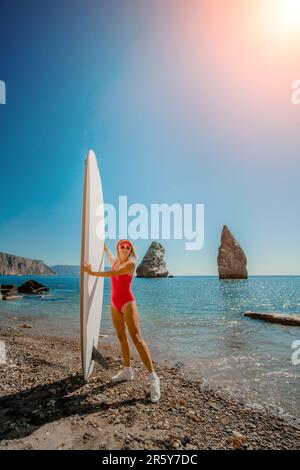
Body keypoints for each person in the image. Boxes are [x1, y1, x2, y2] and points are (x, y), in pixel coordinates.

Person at [83, 239, 161, 403]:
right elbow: (111, 258)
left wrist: (92, 273)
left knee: (137, 338)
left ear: (130, 250)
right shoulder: (116, 262)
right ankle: (127, 371)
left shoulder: (130, 264)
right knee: (120, 336)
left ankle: (154, 378)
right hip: (114, 304)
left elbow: (111, 274)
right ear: (118, 248)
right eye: (122, 246)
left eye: (128, 247)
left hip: (128, 304)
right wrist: (104, 247)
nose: (125, 248)